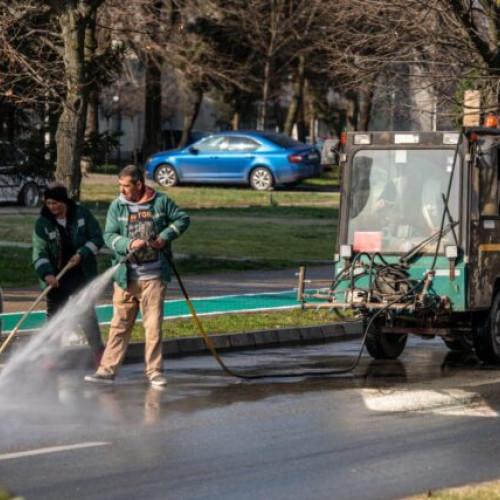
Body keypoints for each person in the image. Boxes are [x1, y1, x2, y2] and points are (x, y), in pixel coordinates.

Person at [84, 164, 190, 387]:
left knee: (152, 327)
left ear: (139, 184)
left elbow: (182, 219)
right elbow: (108, 236)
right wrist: (129, 243)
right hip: (125, 278)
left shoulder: (161, 202)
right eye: (119, 186)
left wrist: (165, 236)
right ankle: (106, 371)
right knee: (118, 326)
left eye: (126, 186)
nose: (122, 191)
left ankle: (154, 372)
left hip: (153, 277)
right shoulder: (117, 206)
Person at [32, 182, 105, 366]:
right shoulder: (43, 223)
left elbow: (97, 238)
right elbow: (39, 253)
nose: (52, 208)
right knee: (54, 317)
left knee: (87, 315)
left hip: (80, 273)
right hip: (57, 278)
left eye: (55, 203)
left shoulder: (81, 214)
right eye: (48, 203)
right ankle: (50, 359)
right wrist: (47, 274)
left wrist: (82, 253)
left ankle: (100, 356)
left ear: (65, 201)